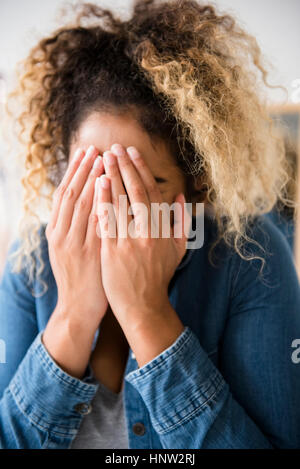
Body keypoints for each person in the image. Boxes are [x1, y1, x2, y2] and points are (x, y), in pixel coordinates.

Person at [0, 0, 299, 449]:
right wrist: (73, 315)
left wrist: (147, 315)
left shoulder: (248, 257)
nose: (110, 206)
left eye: (141, 185)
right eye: (93, 179)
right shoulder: (32, 261)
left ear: (196, 189)